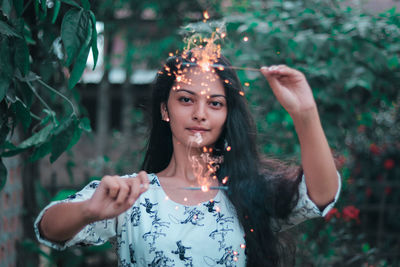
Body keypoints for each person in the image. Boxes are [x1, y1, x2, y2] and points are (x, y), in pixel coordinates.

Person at [35, 51, 341, 267]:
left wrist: (305, 114)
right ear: (165, 110)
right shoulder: (132, 194)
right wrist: (89, 210)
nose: (200, 113)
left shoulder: (249, 192)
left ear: (226, 114)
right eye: (186, 99)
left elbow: (320, 196)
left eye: (215, 103)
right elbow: (48, 228)